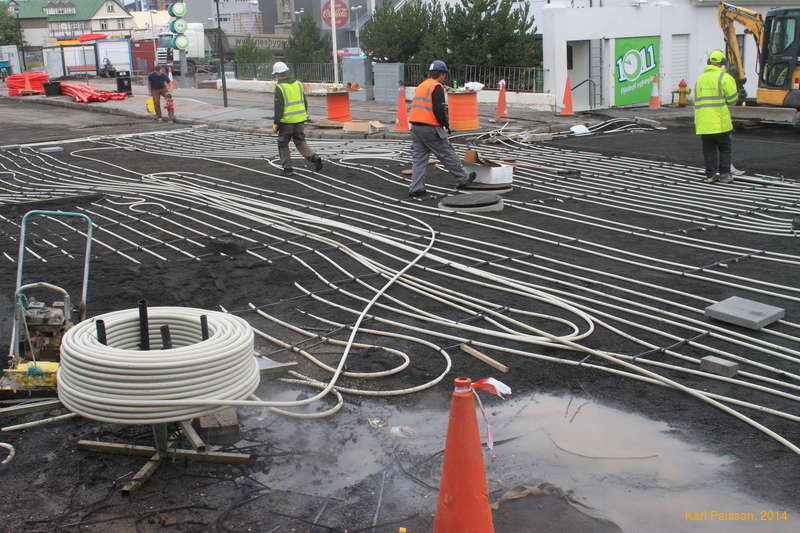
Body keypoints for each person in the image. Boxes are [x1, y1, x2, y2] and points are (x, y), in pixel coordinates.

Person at [407, 60, 475, 197]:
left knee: (419, 159)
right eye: (444, 74)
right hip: (430, 127)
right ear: (442, 74)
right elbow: (439, 109)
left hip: (415, 126)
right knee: (447, 153)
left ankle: (416, 188)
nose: (445, 77)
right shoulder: (436, 86)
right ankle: (463, 178)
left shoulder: (422, 85)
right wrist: (446, 125)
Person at [271, 61, 323, 176]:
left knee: (283, 144)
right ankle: (314, 157)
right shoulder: (298, 84)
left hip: (286, 122)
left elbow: (279, 108)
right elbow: (304, 102)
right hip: (300, 120)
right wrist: (303, 116)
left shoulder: (279, 87)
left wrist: (276, 123)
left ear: (278, 74)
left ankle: (288, 168)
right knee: (300, 141)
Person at [694, 50, 738, 183]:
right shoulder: (724, 77)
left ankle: (710, 176)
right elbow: (732, 99)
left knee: (709, 150)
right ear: (722, 63)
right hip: (720, 122)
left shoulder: (700, 79)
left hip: (704, 123)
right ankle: (724, 175)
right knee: (724, 149)